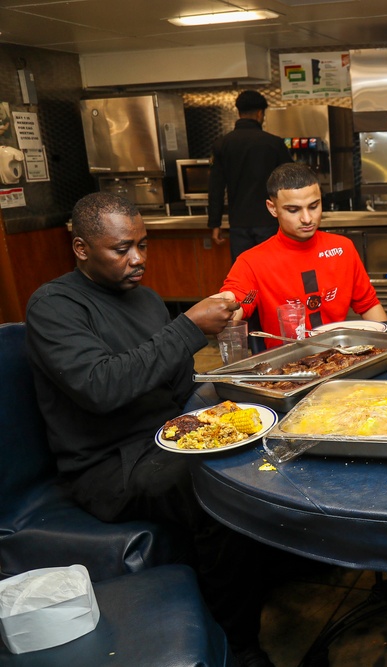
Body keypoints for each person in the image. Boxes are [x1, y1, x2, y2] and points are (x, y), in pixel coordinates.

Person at [24, 192, 276, 667]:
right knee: (218, 489)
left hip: (167, 437)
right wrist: (186, 329)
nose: (137, 258)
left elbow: (175, 388)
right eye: (122, 249)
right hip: (108, 465)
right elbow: (100, 387)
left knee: (259, 455)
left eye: (143, 244)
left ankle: (265, 582)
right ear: (81, 249)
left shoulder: (144, 299)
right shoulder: (54, 305)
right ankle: (239, 646)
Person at [222, 162, 387, 339]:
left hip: (340, 357)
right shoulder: (253, 262)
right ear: (273, 209)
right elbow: (237, 301)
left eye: (314, 206)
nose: (307, 219)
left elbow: (369, 305)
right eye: (293, 210)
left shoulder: (342, 248)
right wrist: (226, 304)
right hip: (288, 362)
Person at [208, 89, 292, 262]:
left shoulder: (223, 144)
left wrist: (215, 224)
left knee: (244, 274)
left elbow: (215, 187)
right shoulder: (274, 143)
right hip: (269, 222)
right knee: (272, 271)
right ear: (260, 113)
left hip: (238, 223)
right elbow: (291, 181)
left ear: (239, 112)